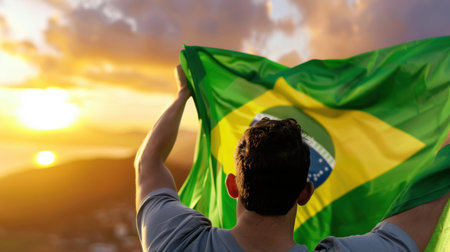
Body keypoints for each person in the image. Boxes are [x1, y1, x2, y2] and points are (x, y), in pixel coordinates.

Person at [134, 65, 450, 251]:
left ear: (233, 185)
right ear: (305, 193)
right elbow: (424, 206)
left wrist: (183, 95)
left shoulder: (177, 242)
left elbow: (148, 163)